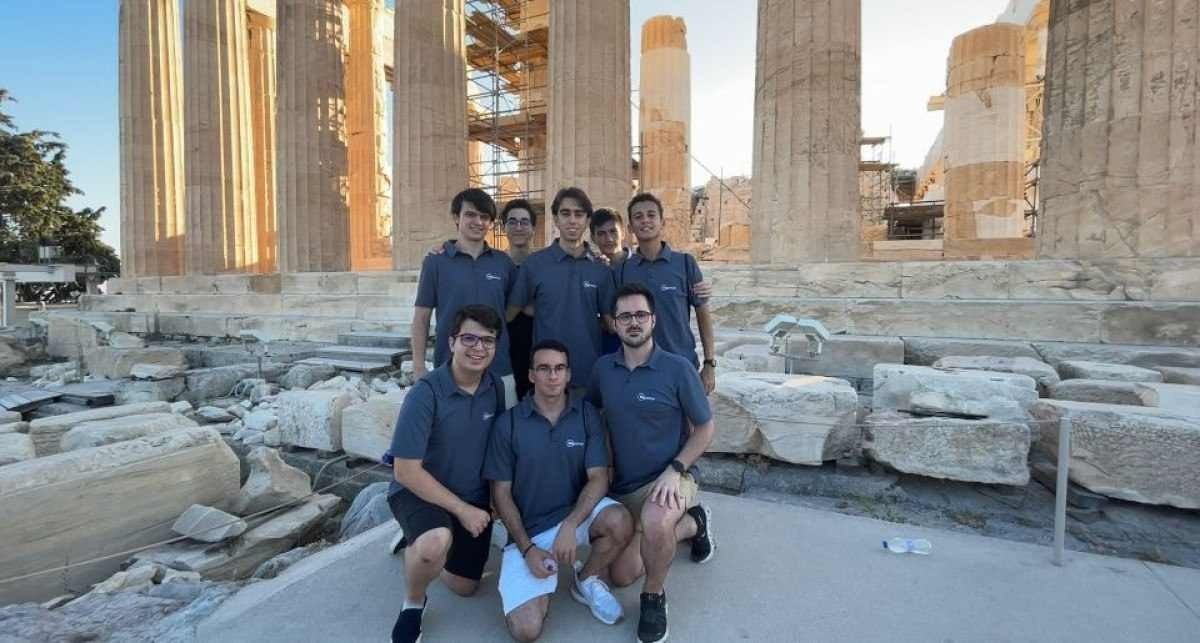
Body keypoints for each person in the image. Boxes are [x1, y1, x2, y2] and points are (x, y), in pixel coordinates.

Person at [588, 283, 717, 643]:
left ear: (653, 320)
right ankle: (694, 524)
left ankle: (654, 598)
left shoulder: (677, 369)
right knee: (621, 575)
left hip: (669, 476)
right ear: (614, 323)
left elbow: (705, 428)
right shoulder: (603, 369)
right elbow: (595, 415)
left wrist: (676, 469)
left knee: (658, 520)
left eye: (640, 315)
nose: (634, 322)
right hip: (623, 486)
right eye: (625, 316)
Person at [486, 340, 634, 641]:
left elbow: (599, 477)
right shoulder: (508, 423)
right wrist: (528, 549)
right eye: (544, 368)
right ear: (531, 375)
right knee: (526, 631)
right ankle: (538, 581)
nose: (552, 376)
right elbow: (501, 494)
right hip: (529, 531)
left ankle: (586, 579)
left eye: (559, 368)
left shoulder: (586, 415)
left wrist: (570, 524)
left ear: (568, 374)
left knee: (619, 520)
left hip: (573, 518)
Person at [385, 305, 508, 643]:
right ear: (451, 342)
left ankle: (419, 541)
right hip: (420, 491)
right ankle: (413, 603)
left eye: (487, 340)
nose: (478, 347)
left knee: (465, 587)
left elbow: (494, 447)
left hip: (471, 492)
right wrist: (463, 511)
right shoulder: (425, 393)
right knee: (433, 544)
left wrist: (493, 498)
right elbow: (405, 470)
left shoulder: (494, 386)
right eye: (469, 339)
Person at [411, 188, 517, 402]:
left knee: (503, 423)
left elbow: (513, 310)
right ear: (456, 217)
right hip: (450, 369)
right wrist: (419, 366)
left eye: (484, 217)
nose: (478, 222)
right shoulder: (436, 262)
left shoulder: (503, 262)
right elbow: (421, 318)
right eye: (470, 214)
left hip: (498, 368)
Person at [508, 187, 615, 395]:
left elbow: (610, 322)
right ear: (556, 219)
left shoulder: (601, 269)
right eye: (565, 213)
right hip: (545, 375)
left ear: (587, 220)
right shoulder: (534, 264)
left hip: (587, 373)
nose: (572, 220)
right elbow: (512, 312)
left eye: (579, 214)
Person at [616, 193, 718, 394]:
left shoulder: (685, 263)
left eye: (651, 215)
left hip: (681, 365)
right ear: (630, 228)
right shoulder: (623, 270)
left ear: (662, 222)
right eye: (638, 216)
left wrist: (709, 363)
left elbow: (703, 314)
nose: (645, 220)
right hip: (637, 369)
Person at [502, 199, 537, 400]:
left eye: (524, 222)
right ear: (504, 227)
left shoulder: (545, 263)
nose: (518, 227)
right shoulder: (495, 263)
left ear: (533, 228)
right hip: (504, 347)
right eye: (512, 221)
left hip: (538, 345)